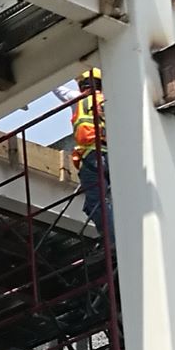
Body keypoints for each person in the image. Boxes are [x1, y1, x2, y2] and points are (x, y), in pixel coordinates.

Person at [71, 71, 108, 235]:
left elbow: (59, 91)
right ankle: (116, 237)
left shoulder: (80, 101)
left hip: (93, 157)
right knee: (112, 201)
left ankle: (112, 240)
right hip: (112, 156)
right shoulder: (108, 99)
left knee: (94, 204)